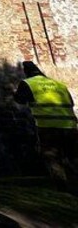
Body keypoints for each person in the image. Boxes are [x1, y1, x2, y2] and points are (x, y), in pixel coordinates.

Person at [14, 61, 78, 189]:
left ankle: (63, 188)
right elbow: (71, 103)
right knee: (74, 156)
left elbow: (19, 99)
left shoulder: (28, 83)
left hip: (48, 126)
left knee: (51, 156)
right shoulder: (59, 85)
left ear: (26, 73)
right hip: (70, 126)